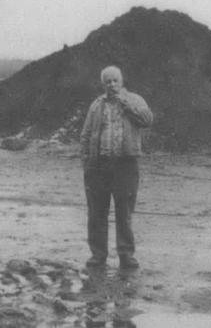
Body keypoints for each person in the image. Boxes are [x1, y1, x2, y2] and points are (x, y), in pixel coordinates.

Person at [80, 66, 153, 269]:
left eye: (115, 80)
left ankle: (126, 255)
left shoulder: (135, 99)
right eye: (108, 81)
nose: (112, 84)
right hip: (98, 167)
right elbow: (85, 135)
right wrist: (87, 161)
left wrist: (126, 104)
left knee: (124, 212)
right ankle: (98, 255)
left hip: (125, 165)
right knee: (96, 213)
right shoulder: (96, 105)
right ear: (103, 84)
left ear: (121, 81)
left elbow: (148, 120)